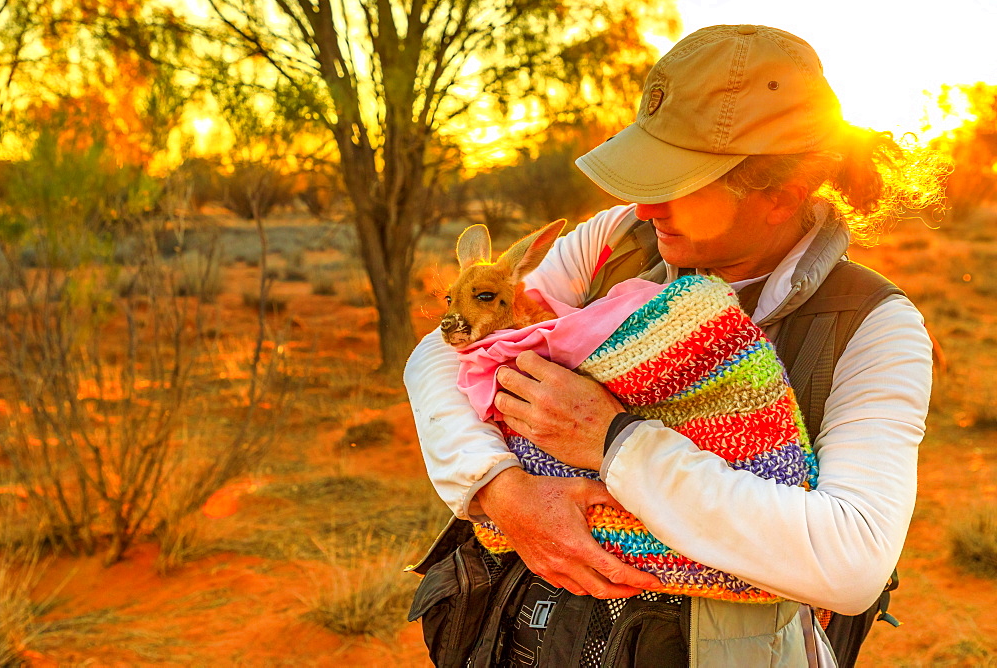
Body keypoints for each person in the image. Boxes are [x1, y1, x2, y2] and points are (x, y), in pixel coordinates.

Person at [404, 23, 945, 667]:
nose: (644, 201)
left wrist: (615, 442)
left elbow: (851, 561)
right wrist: (501, 490)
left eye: (677, 181)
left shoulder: (871, 326)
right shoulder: (617, 241)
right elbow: (444, 352)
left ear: (781, 197)